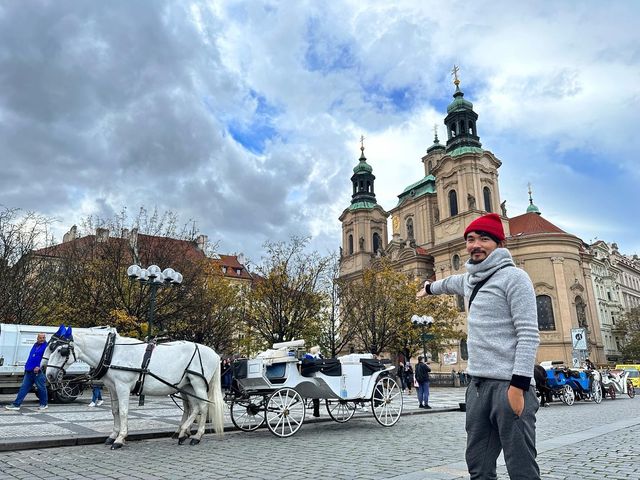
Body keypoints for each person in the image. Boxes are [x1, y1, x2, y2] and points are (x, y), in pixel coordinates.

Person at [417, 212, 540, 479]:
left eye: (484, 239)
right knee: (478, 465)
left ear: (499, 245)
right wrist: (428, 288)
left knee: (521, 467)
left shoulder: (515, 278)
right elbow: (449, 283)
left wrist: (518, 387)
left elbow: (528, 334)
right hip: (477, 386)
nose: (475, 245)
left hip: (509, 384)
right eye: (471, 239)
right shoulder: (471, 279)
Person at [5, 332, 49, 412]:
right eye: (40, 338)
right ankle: (16, 405)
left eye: (44, 338)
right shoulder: (35, 345)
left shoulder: (46, 347)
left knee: (41, 388)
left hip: (38, 372)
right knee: (23, 388)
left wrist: (39, 366)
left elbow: (45, 359)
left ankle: (44, 404)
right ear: (37, 338)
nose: (42, 339)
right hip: (29, 370)